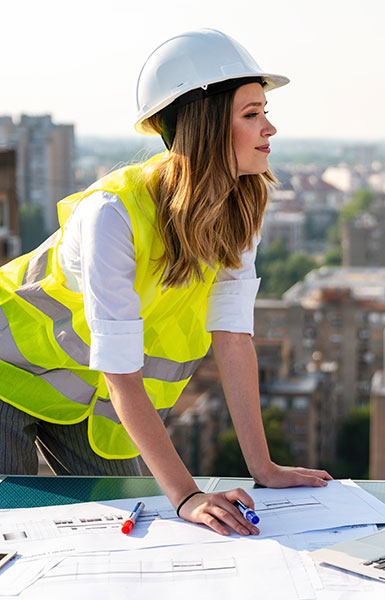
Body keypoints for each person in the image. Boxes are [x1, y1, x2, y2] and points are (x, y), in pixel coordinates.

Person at [0, 29, 331, 537]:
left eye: (264, 111)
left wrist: (263, 468)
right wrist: (188, 496)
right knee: (14, 530)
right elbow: (121, 373)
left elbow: (234, 338)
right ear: (206, 127)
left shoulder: (239, 212)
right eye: (251, 114)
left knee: (126, 531)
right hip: (8, 374)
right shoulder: (112, 214)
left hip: (92, 405)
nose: (270, 128)